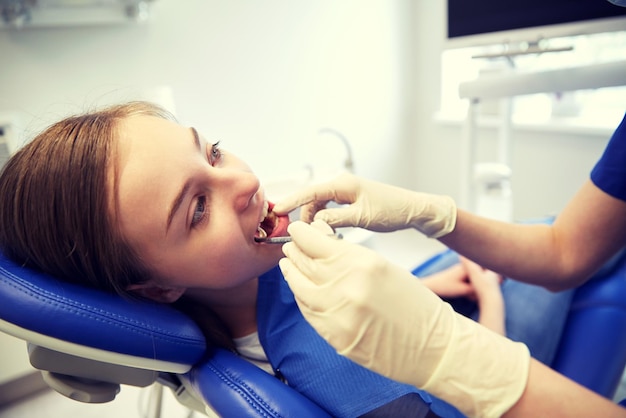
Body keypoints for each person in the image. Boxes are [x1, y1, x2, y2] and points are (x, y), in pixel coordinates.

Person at [0, 101, 472, 418]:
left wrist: (421, 291)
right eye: (199, 208)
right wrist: (488, 305)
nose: (246, 183)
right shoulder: (330, 363)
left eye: (214, 154)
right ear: (160, 290)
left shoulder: (264, 276)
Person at [274, 112, 626, 417]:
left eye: (217, 152)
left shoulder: (276, 306)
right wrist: (488, 297)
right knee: (605, 252)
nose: (246, 184)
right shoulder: (306, 357)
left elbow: (569, 246)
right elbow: (565, 249)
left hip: (455, 297)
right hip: (489, 325)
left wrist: (423, 271)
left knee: (569, 234)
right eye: (213, 207)